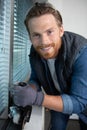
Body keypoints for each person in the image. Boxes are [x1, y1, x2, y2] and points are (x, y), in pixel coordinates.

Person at [13, 2, 87, 130]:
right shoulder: (35, 50)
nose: (44, 42)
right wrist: (28, 89)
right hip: (57, 98)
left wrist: (36, 98)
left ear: (61, 30)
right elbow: (36, 78)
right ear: (30, 37)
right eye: (36, 35)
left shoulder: (82, 52)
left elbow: (79, 102)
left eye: (49, 32)